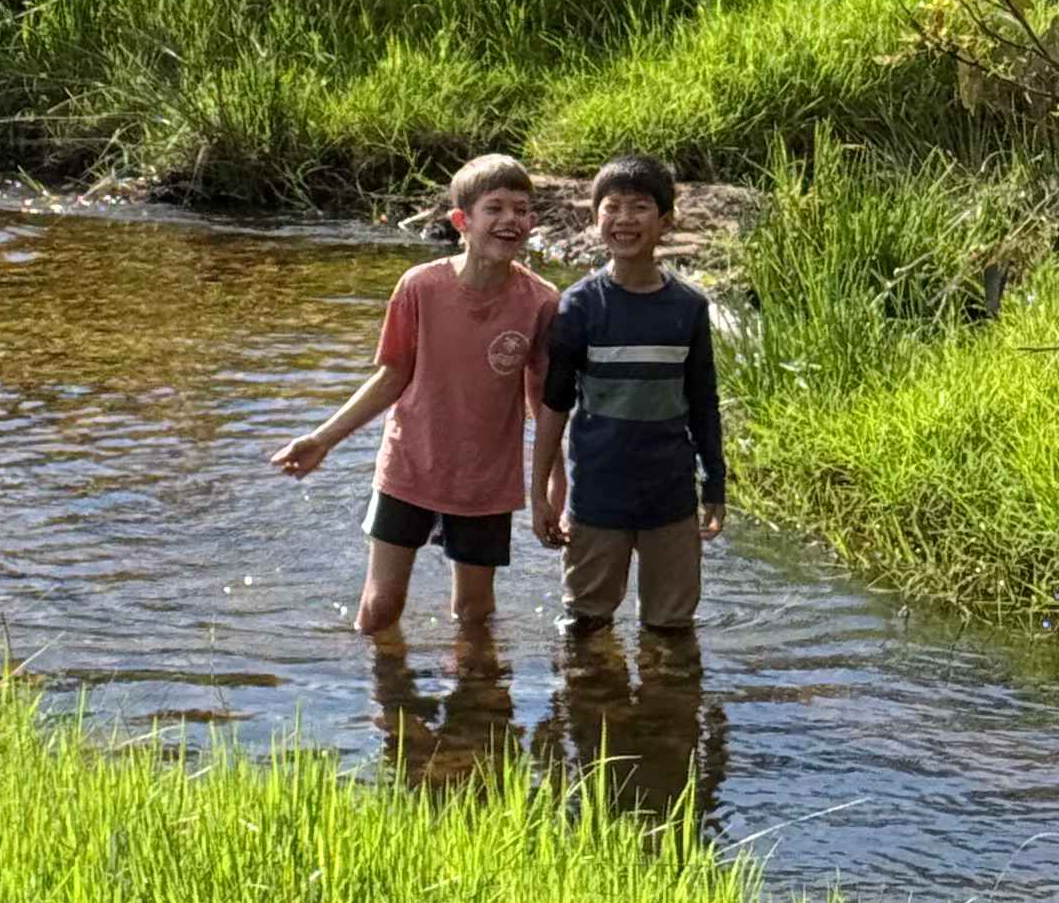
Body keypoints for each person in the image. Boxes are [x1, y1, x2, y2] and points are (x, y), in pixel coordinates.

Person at [270, 151, 558, 637]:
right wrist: (322, 439)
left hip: (484, 481)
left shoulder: (541, 301)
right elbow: (390, 376)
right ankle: (385, 704)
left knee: (474, 613)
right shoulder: (420, 287)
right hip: (410, 466)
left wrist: (552, 484)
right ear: (461, 221)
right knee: (380, 608)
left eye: (522, 209)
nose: (511, 219)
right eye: (496, 208)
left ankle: (471, 703)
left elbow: (543, 400)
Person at [530, 152, 726, 640]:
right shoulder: (578, 306)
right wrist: (541, 493)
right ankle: (589, 708)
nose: (624, 220)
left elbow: (704, 403)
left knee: (671, 630)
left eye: (638, 207)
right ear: (594, 219)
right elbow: (555, 404)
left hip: (671, 495)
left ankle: (668, 713)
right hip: (599, 494)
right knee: (586, 624)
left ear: (666, 221)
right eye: (611, 207)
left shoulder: (688, 307)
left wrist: (715, 485)